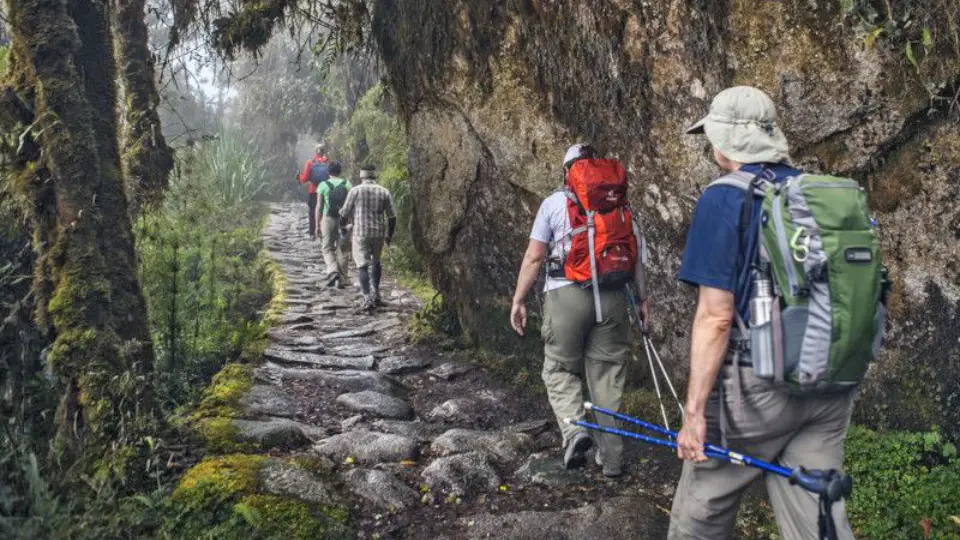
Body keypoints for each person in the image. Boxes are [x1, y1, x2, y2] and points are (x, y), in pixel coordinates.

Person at [669, 86, 856, 539]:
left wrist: (694, 414)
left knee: (702, 505)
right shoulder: (817, 193)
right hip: (830, 380)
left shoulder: (724, 198)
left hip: (758, 390)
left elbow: (715, 317)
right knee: (817, 516)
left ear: (725, 141)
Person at [509, 144, 648, 478]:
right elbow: (636, 257)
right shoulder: (620, 204)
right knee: (607, 379)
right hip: (614, 298)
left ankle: (574, 432)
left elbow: (534, 256)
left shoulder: (554, 203)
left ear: (567, 171)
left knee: (559, 369)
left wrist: (519, 300)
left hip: (566, 294)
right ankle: (611, 461)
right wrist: (643, 301)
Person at [339, 165, 396, 311]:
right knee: (376, 262)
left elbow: (344, 213)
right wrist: (389, 235)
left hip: (360, 233)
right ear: (375, 176)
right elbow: (392, 216)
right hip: (378, 233)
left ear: (361, 176)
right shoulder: (384, 191)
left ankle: (367, 298)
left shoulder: (355, 191)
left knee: (362, 266)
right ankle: (376, 293)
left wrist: (343, 228)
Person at [317, 161, 352, 288]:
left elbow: (319, 206)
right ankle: (343, 278)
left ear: (328, 172)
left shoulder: (323, 185)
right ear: (340, 171)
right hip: (344, 220)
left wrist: (317, 225)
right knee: (343, 249)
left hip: (328, 219)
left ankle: (333, 271)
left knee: (327, 247)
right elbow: (351, 205)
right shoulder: (347, 184)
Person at [297, 143, 330, 239]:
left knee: (312, 212)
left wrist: (298, 177)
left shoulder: (310, 162)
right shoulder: (328, 163)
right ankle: (324, 232)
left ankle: (312, 233)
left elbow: (304, 179)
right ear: (324, 151)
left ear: (316, 151)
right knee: (325, 211)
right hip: (325, 190)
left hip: (313, 191)